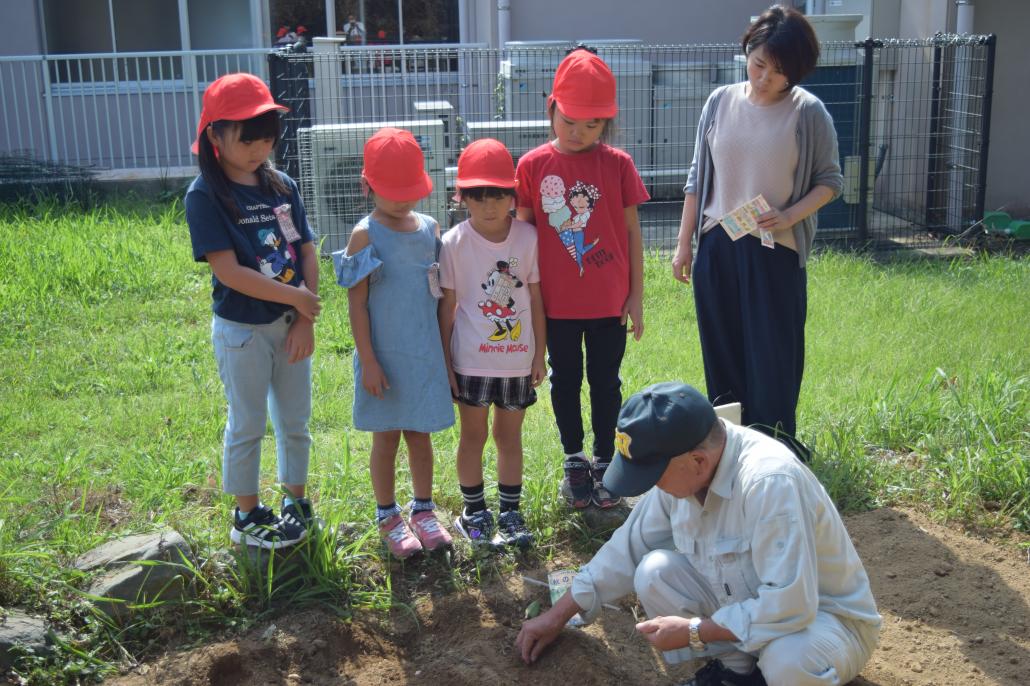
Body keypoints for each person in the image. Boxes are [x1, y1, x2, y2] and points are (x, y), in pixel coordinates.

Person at [515, 382, 881, 686]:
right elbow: (626, 550)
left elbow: (791, 606)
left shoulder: (769, 483)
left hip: (825, 623)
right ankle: (734, 675)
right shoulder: (684, 470)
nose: (650, 486)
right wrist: (556, 616)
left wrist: (696, 631)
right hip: (758, 610)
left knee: (788, 662)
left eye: (654, 474)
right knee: (653, 572)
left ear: (698, 462)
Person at [672, 5, 841, 452]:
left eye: (779, 71)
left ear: (797, 72)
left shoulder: (809, 112)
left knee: (773, 355)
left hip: (775, 249)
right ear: (747, 50)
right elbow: (696, 178)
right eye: (759, 62)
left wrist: (789, 215)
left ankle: (777, 448)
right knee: (721, 349)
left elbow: (830, 182)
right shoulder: (719, 102)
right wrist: (683, 245)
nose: (764, 76)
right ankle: (728, 447)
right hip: (718, 245)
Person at [184, 73, 321, 549]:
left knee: (295, 421)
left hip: (290, 326)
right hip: (242, 329)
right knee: (246, 423)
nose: (259, 148)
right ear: (215, 136)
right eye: (247, 138)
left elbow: (305, 251)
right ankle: (247, 515)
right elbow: (228, 272)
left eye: (266, 137)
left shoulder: (281, 185)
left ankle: (295, 502)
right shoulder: (204, 194)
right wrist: (297, 300)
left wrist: (304, 318)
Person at [515, 47, 649, 511]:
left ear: (607, 124)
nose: (579, 133)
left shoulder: (618, 164)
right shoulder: (532, 166)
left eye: (592, 125)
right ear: (550, 107)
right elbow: (523, 235)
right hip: (556, 306)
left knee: (606, 382)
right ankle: (574, 458)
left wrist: (636, 295)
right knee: (564, 380)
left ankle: (605, 459)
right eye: (570, 121)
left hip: (609, 301)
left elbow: (632, 232)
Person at [333, 127, 455, 559]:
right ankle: (387, 514)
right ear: (367, 186)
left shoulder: (430, 229)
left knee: (420, 436)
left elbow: (441, 296)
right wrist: (368, 360)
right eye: (393, 192)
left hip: (422, 356)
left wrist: (443, 353)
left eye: (410, 191)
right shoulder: (364, 235)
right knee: (385, 439)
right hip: (383, 358)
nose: (404, 201)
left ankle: (423, 510)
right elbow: (357, 303)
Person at [438, 139, 546, 550]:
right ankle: (474, 512)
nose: (488, 205)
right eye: (478, 196)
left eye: (498, 194)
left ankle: (511, 513)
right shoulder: (453, 243)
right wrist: (446, 363)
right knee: (472, 436)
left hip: (517, 361)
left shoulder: (528, 238)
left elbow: (535, 299)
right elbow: (447, 308)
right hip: (470, 361)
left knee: (509, 438)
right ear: (462, 196)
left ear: (512, 194)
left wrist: (539, 353)